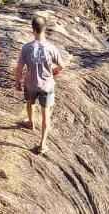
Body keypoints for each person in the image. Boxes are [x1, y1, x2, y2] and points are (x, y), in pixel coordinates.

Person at [15, 15, 66, 155]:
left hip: (30, 83)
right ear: (45, 29)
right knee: (45, 114)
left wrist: (17, 82)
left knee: (29, 103)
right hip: (46, 86)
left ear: (33, 29)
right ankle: (42, 144)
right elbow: (62, 66)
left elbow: (19, 68)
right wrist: (54, 71)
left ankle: (30, 122)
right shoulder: (51, 48)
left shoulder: (26, 48)